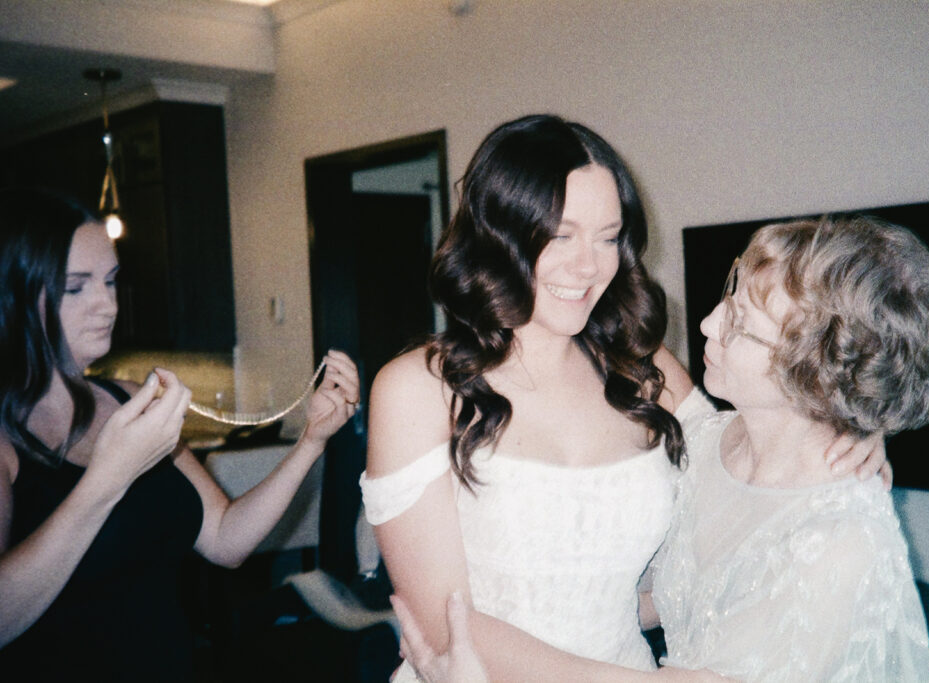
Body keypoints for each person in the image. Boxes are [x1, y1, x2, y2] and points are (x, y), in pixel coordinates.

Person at [361, 115, 886, 681]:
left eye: (608, 237)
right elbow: (447, 626)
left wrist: (838, 434)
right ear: (498, 234)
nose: (589, 265)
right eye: (560, 235)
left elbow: (744, 465)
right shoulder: (417, 390)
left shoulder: (640, 365)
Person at [394, 213, 929, 681]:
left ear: (813, 375)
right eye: (729, 296)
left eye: (741, 325)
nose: (710, 325)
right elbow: (665, 597)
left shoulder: (841, 542)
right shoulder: (707, 443)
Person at [0, 187, 361, 681]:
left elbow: (224, 539)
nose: (107, 304)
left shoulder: (132, 401)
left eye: (110, 281)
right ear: (18, 295)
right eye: (77, 286)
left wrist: (311, 442)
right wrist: (108, 478)